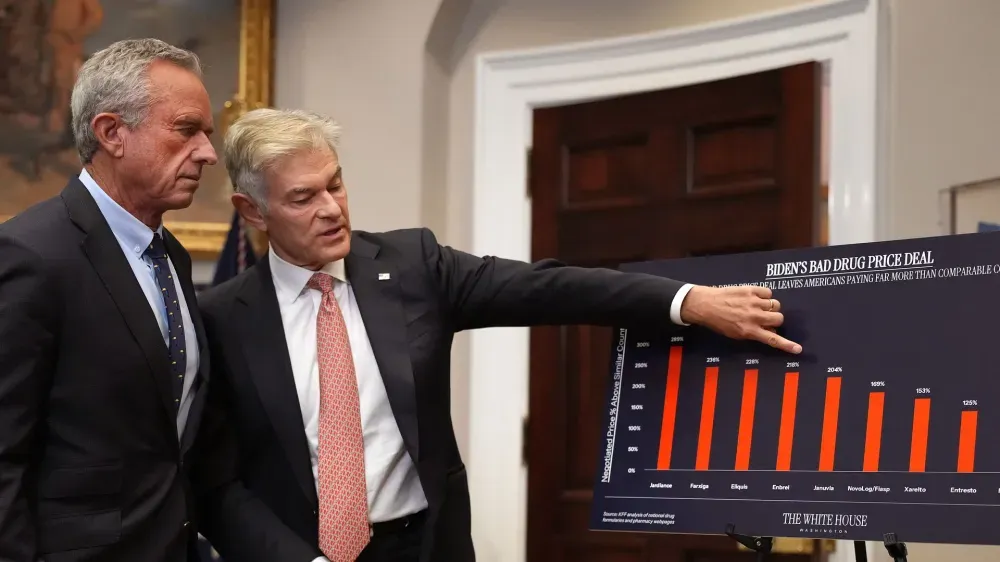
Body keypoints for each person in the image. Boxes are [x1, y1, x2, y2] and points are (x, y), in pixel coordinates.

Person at [195, 108, 801, 562]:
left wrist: (688, 301)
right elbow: (218, 482)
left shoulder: (411, 267)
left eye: (336, 183)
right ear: (253, 211)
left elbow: (551, 288)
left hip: (424, 546)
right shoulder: (221, 317)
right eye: (304, 197)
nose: (332, 208)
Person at [0, 38, 219, 561]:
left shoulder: (170, 255)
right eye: (186, 130)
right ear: (112, 133)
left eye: (207, 135)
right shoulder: (32, 254)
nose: (208, 153)